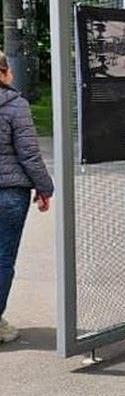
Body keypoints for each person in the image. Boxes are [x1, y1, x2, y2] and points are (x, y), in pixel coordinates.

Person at [0, 52, 54, 345]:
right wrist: (45, 188)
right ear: (5, 73)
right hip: (9, 194)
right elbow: (30, 155)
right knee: (2, 258)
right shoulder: (15, 105)